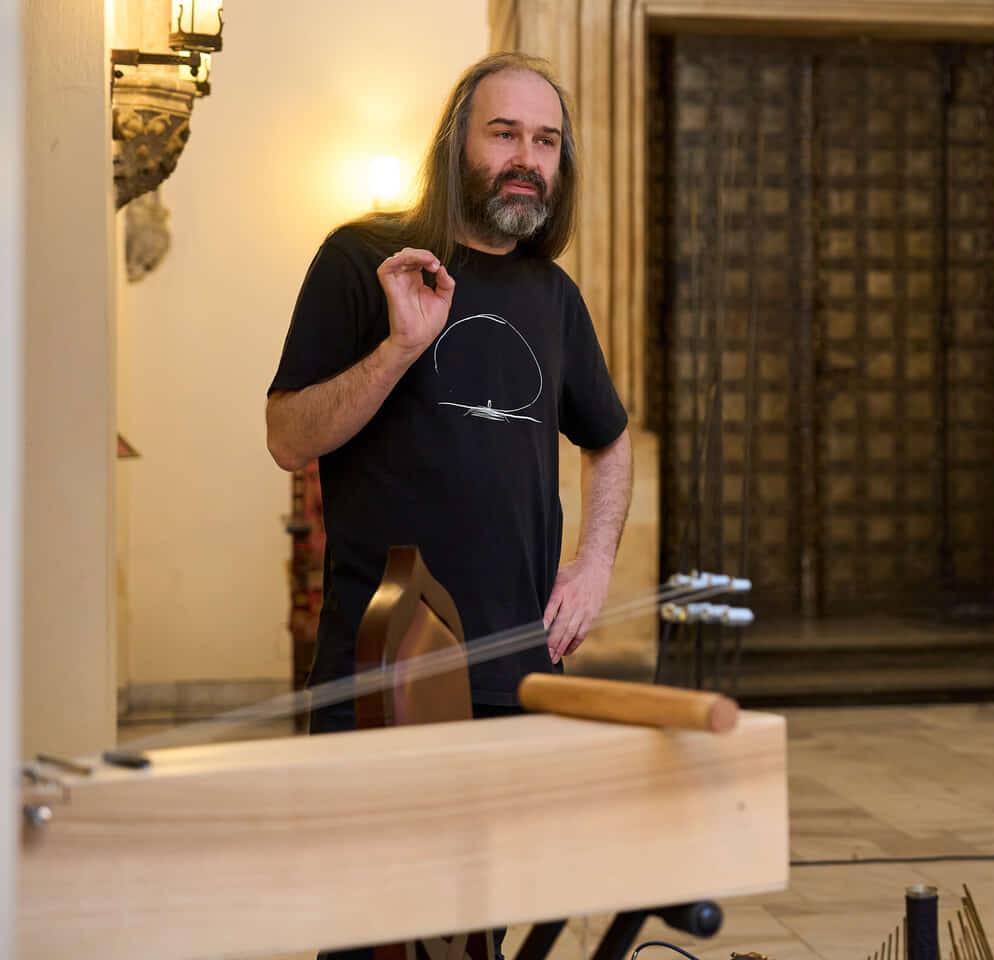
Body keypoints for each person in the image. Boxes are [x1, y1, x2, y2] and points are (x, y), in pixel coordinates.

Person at [265, 52, 633, 959]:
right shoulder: (364, 258)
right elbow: (288, 436)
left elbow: (610, 438)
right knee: (371, 935)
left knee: (472, 935)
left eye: (546, 141)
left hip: (511, 668)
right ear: (457, 142)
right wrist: (399, 346)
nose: (526, 159)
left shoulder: (553, 296)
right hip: (380, 666)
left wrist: (593, 565)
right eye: (504, 134)